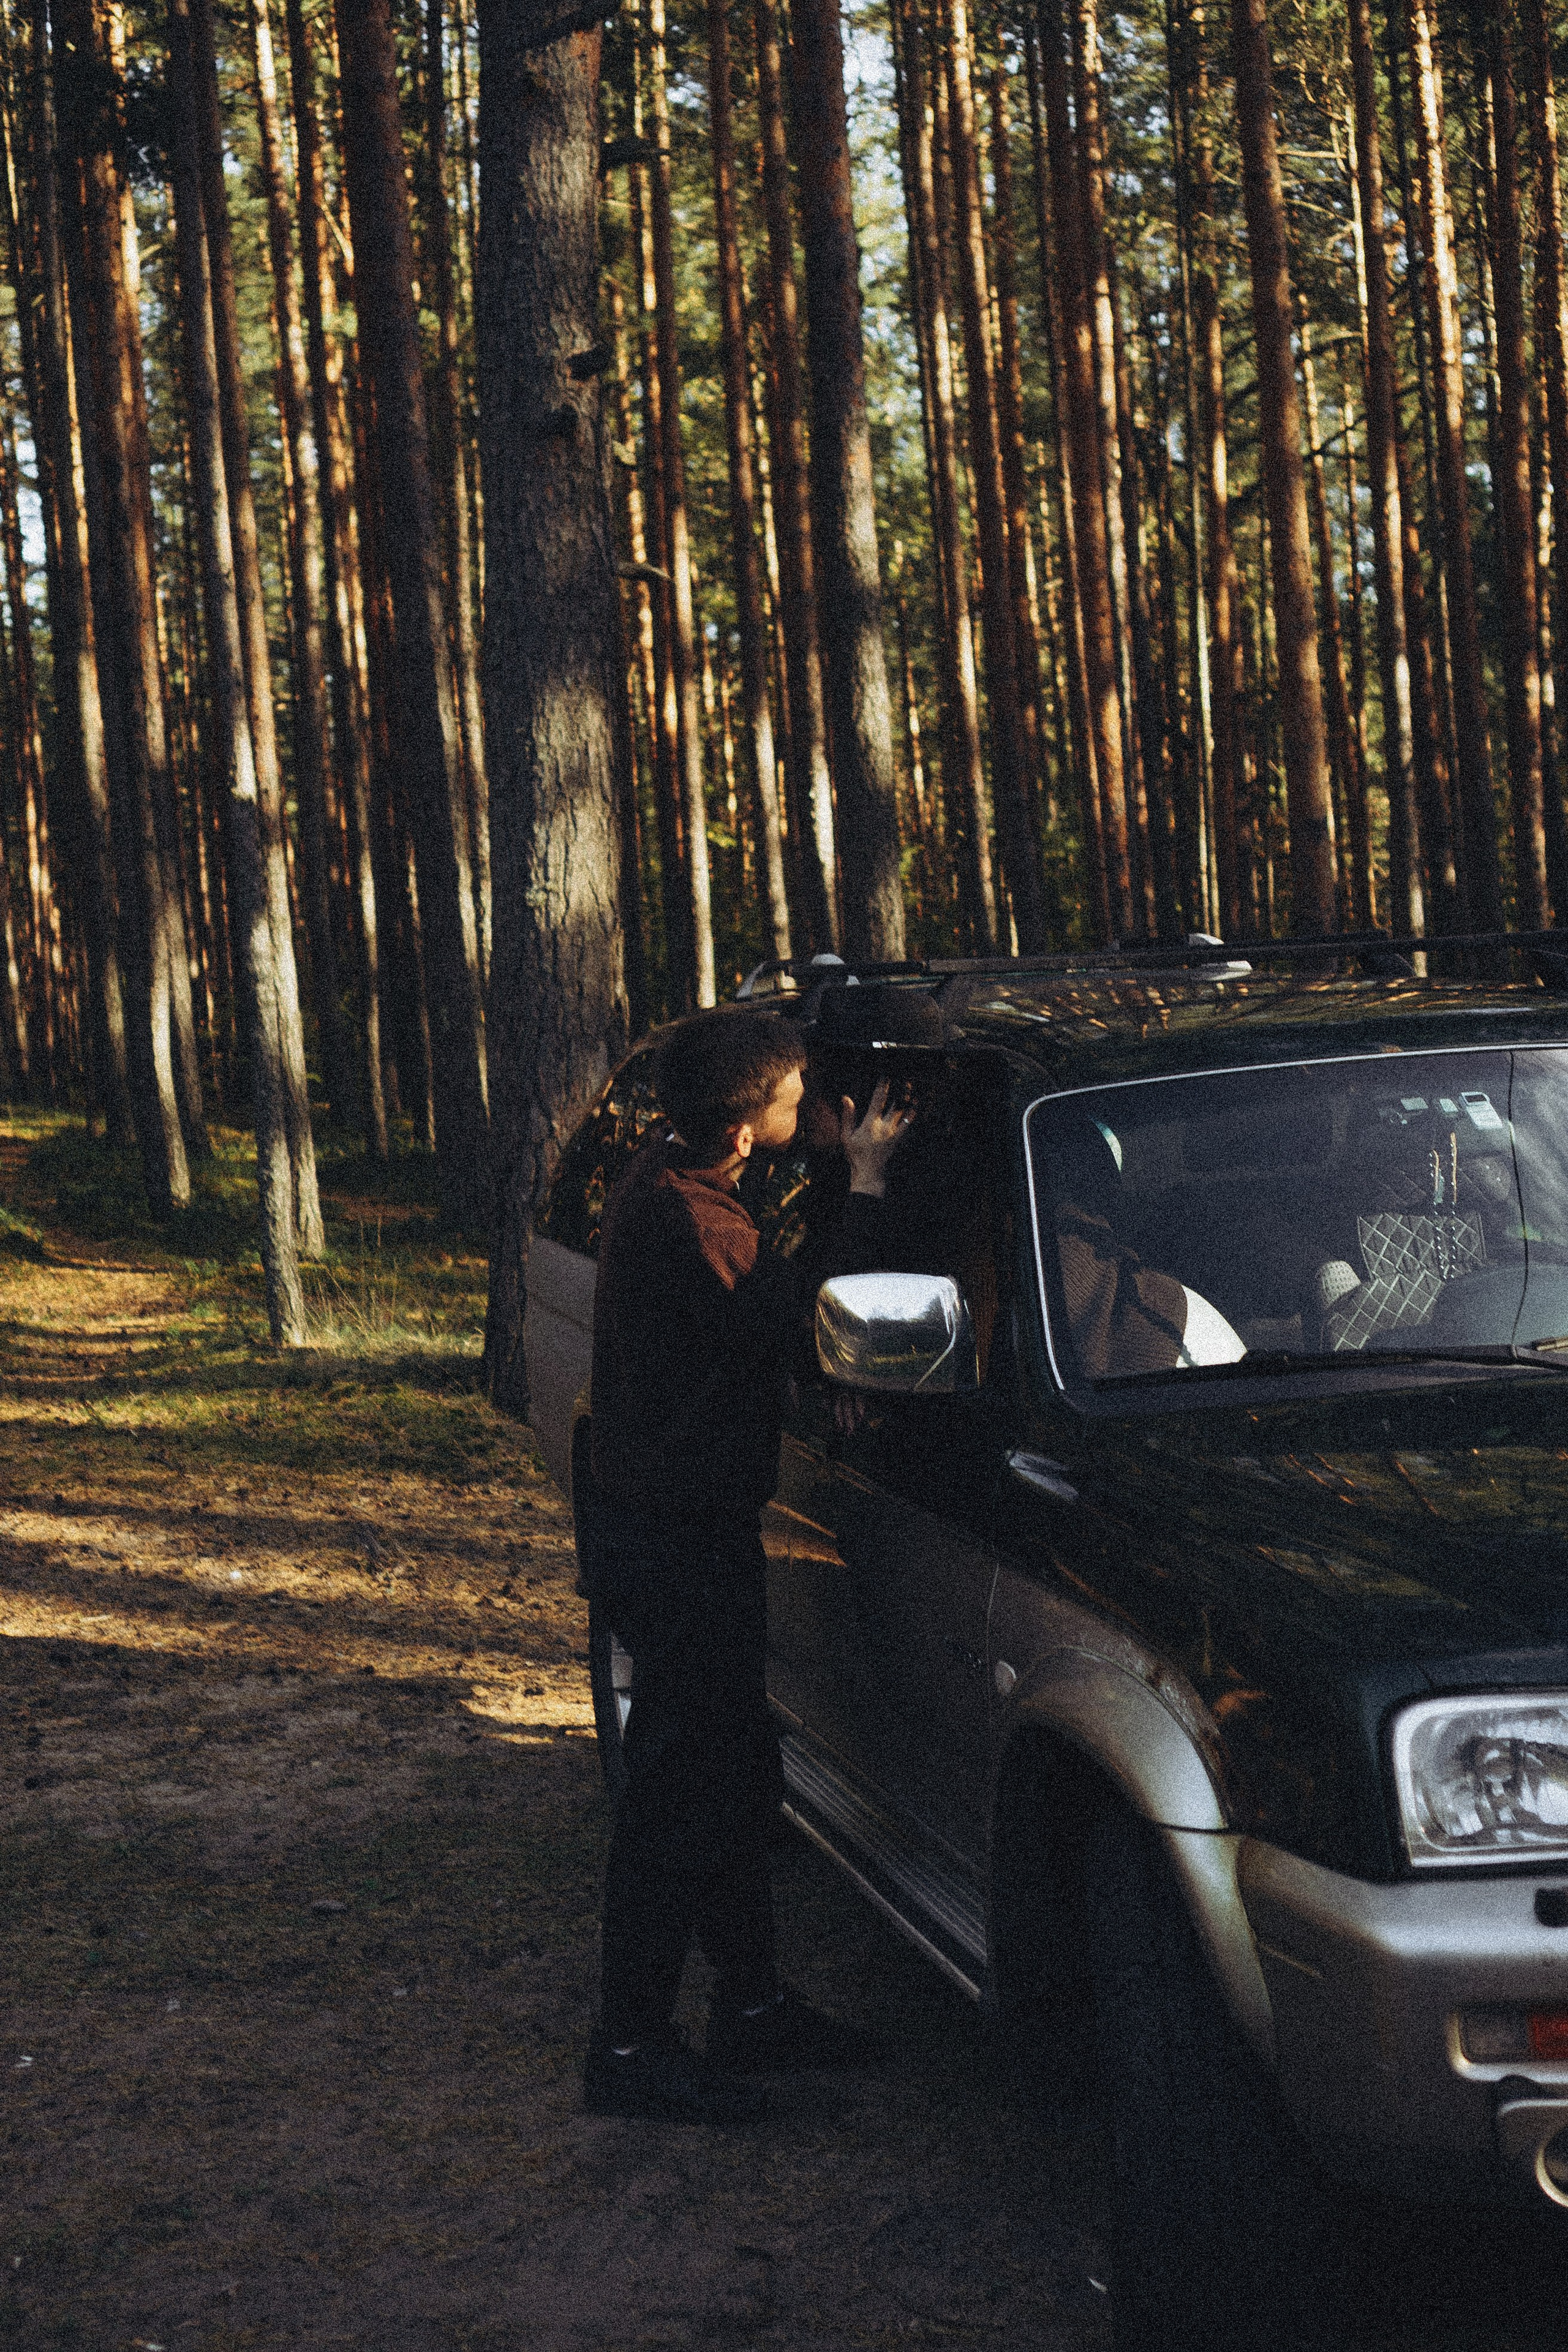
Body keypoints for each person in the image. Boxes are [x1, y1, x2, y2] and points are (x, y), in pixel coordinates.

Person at [582, 1011, 910, 2124]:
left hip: (667, 1526)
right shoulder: (698, 1223)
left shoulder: (671, 1175)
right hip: (676, 1543)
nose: (809, 1103)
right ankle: (628, 2047)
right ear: (741, 1128)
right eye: (794, 1095)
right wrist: (867, 1181)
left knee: (730, 1774)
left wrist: (820, 1155)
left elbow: (745, 1315)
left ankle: (753, 2006)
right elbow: (814, 1320)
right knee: (678, 1797)